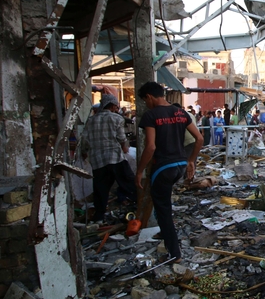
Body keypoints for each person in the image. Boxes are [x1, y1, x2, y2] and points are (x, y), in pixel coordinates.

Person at [136, 82, 203, 262]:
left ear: (149, 96)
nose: (146, 104)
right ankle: (166, 235)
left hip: (163, 168)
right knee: (164, 205)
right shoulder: (181, 113)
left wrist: (139, 171)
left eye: (145, 100)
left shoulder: (151, 115)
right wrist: (191, 161)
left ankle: (174, 253)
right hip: (180, 165)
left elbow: (150, 147)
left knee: (163, 210)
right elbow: (199, 138)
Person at [79, 94, 136, 222]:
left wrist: (84, 152)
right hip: (115, 157)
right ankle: (139, 207)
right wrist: (124, 147)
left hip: (98, 160)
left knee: (100, 189)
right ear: (112, 106)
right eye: (116, 106)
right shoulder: (116, 118)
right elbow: (121, 138)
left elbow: (85, 140)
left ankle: (99, 216)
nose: (117, 108)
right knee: (129, 183)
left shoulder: (91, 120)